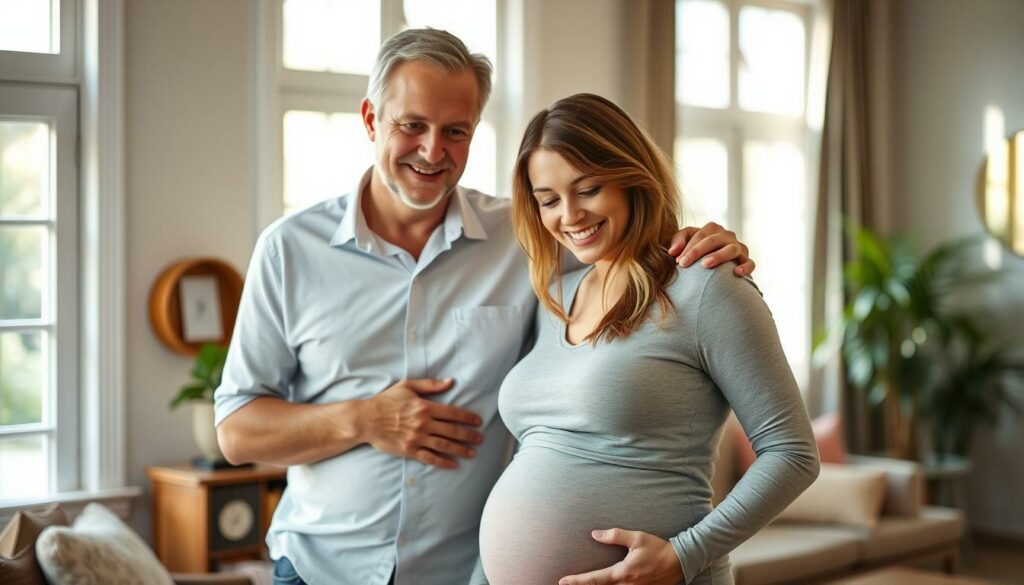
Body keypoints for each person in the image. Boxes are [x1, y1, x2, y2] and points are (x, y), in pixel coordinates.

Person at [214, 30, 755, 585]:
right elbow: (236, 432)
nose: (432, 151)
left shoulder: (527, 237)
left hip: (461, 573)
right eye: (411, 125)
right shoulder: (288, 251)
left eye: (455, 131)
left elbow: (626, 257)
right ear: (371, 119)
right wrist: (364, 419)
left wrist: (700, 245)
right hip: (318, 570)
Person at [478, 93, 820, 585]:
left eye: (588, 189)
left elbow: (793, 453)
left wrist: (683, 556)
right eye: (549, 199)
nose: (570, 215)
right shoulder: (557, 296)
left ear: (631, 177)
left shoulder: (706, 287)